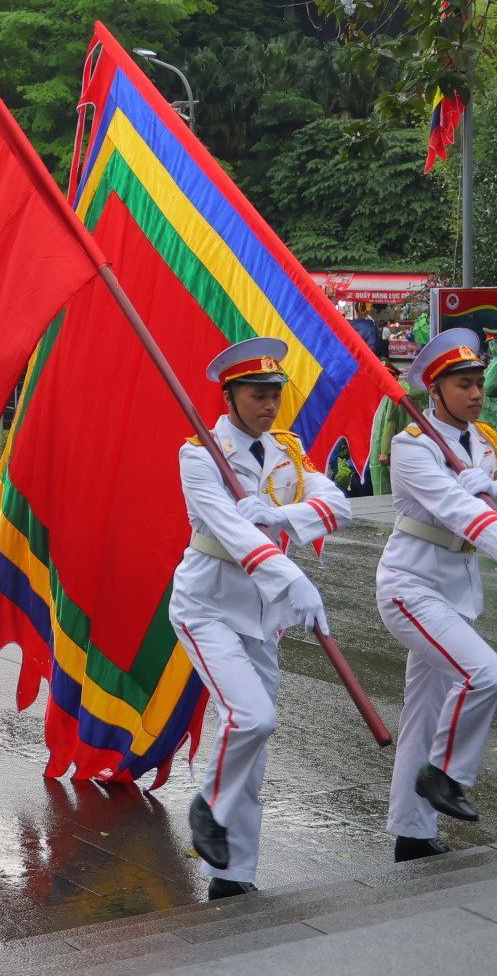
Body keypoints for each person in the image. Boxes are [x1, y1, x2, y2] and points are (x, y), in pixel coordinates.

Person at [172, 338, 348, 900]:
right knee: (250, 719)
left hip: (261, 616)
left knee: (253, 741)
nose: (269, 405)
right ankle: (208, 808)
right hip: (207, 607)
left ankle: (233, 874)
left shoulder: (289, 452)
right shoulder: (200, 454)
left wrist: (278, 512)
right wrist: (292, 577)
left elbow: (336, 506)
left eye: (275, 394)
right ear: (229, 396)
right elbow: (231, 532)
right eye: (256, 395)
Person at [381, 328, 497, 862]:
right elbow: (456, 512)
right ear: (435, 392)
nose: (476, 394)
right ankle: (446, 775)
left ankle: (412, 832)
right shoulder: (412, 446)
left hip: (456, 591)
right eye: (463, 384)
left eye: (479, 382)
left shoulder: (484, 442)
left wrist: (496, 487)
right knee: (487, 674)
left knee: (425, 711)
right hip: (411, 586)